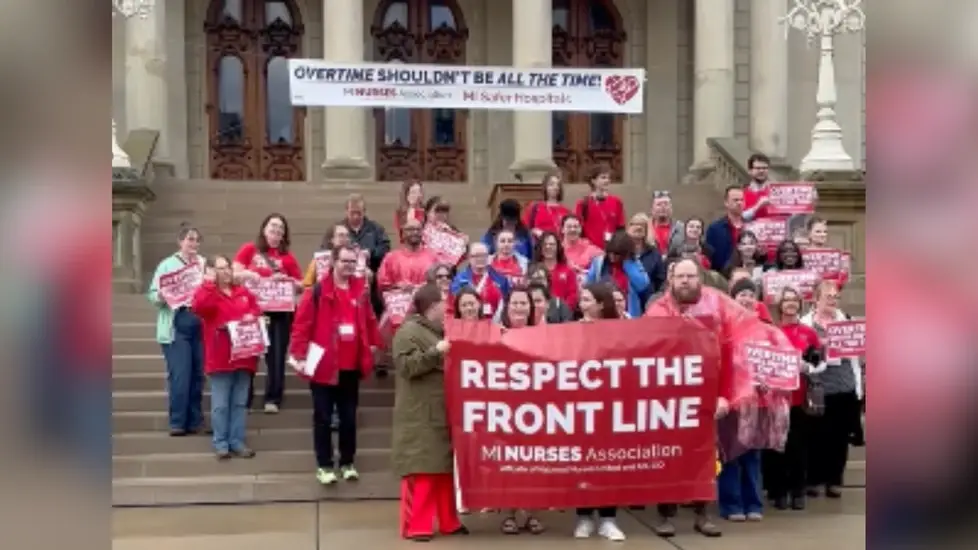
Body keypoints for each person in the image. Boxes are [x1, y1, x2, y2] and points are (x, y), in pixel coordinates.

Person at [644, 258, 735, 538]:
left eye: (690, 276)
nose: (685, 281)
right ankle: (665, 514)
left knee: (704, 458)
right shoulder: (656, 311)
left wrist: (724, 396)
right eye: (680, 276)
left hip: (705, 396)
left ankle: (703, 513)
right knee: (667, 457)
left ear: (700, 279)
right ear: (670, 280)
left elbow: (729, 356)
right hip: (667, 399)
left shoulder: (716, 309)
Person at [289, 245, 379, 485]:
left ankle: (348, 462)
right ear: (333, 262)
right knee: (323, 418)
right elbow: (301, 325)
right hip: (323, 367)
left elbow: (369, 319)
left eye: (352, 262)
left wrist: (374, 344)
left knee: (349, 418)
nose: (349, 266)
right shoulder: (316, 291)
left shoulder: (361, 290)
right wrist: (298, 354)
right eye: (344, 261)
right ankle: (325, 465)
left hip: (350, 367)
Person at [390, 283, 468, 541]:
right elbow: (407, 366)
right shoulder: (407, 332)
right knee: (424, 471)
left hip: (438, 411)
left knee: (442, 470)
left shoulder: (436, 330)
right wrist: (436, 353)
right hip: (419, 414)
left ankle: (448, 521)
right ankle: (417, 525)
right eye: (442, 304)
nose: (446, 307)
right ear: (430, 307)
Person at [233, 213, 304, 413]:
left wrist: (288, 281)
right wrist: (249, 274)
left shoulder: (288, 258)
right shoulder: (249, 250)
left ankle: (273, 398)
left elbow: (301, 285)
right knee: (248, 354)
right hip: (252, 311)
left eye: (280, 228)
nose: (276, 231)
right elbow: (233, 274)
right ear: (264, 229)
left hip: (280, 313)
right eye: (273, 226)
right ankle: (244, 398)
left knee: (277, 356)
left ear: (284, 235)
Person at [191, 254, 261, 459]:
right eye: (220, 268)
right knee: (221, 405)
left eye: (228, 267)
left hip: (244, 355)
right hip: (220, 357)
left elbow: (256, 309)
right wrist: (209, 284)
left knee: (240, 403)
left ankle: (236, 440)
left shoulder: (243, 291)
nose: (227, 271)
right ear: (212, 272)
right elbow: (199, 307)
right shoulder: (209, 293)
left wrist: (253, 316)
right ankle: (221, 442)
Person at [574, 282, 627, 540]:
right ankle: (583, 517)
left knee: (609, 463)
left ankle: (608, 519)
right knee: (582, 464)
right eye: (581, 299)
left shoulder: (618, 331)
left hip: (610, 407)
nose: (581, 304)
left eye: (586, 299)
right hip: (580, 407)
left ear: (601, 304)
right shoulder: (570, 331)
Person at [801, 280, 862, 499]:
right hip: (818, 386)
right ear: (816, 299)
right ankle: (814, 479)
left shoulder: (846, 322)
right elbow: (803, 356)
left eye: (835, 297)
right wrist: (822, 347)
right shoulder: (805, 324)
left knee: (840, 437)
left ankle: (835, 480)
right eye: (828, 297)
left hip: (844, 386)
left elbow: (857, 353)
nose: (833, 301)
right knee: (816, 436)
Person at [716, 280, 768, 522]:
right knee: (729, 455)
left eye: (750, 294)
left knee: (752, 455)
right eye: (741, 294)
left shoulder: (765, 328)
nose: (746, 299)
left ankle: (753, 503)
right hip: (730, 400)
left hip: (756, 401)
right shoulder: (722, 328)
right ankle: (731, 504)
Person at [494, 287, 545, 535]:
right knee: (508, 463)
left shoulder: (544, 335)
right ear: (507, 307)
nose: (519, 307)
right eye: (514, 303)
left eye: (523, 303)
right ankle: (509, 513)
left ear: (530, 307)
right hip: (505, 410)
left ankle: (532, 512)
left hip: (536, 410)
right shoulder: (496, 335)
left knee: (533, 463)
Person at [147, 224, 206, 436]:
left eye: (197, 240)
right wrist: (162, 296)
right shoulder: (167, 264)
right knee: (181, 374)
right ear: (180, 241)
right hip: (175, 324)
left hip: (199, 323)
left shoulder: (202, 264)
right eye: (190, 239)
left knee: (198, 374)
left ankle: (195, 420)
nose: (194, 244)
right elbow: (153, 294)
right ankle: (178, 421)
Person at [769, 286, 822, 510]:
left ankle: (798, 490)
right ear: (779, 304)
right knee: (778, 447)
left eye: (794, 300)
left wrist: (807, 366)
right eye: (786, 300)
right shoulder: (770, 331)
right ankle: (779, 491)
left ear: (800, 304)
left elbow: (820, 363)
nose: (790, 304)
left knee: (799, 446)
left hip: (800, 397)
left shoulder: (808, 332)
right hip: (776, 397)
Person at [377, 218, 438, 320]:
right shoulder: (391, 258)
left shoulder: (433, 257)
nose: (415, 232)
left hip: (426, 314)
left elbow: (439, 285)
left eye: (418, 229)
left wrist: (419, 288)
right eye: (410, 229)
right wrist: (398, 287)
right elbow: (382, 286)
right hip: (397, 315)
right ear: (403, 232)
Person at [342, 193, 392, 318]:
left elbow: (385, 248)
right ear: (346, 211)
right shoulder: (339, 229)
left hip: (371, 281)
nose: (355, 216)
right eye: (352, 213)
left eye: (359, 213)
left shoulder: (375, 229)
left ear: (364, 212)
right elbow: (327, 249)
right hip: (345, 280)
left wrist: (371, 252)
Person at [584, 230, 650, 318]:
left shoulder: (634, 263)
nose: (612, 257)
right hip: (603, 313)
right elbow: (588, 285)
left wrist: (627, 264)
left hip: (628, 312)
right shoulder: (599, 263)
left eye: (617, 254)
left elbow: (642, 285)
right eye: (610, 253)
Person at [450, 242, 510, 318]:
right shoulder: (459, 281)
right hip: (467, 323)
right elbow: (455, 306)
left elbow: (506, 304)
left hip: (493, 323)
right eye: (476, 256)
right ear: (469, 258)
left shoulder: (500, 279)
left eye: (483, 255)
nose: (480, 259)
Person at [574, 163, 624, 246]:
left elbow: (620, 228)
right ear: (593, 181)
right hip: (590, 250)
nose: (607, 181)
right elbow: (578, 229)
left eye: (608, 178)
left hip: (611, 250)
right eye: (603, 177)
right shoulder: (583, 204)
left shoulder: (616, 202)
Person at [625, 214, 666, 304]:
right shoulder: (622, 251)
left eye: (642, 224)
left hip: (648, 301)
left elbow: (661, 280)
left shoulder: (654, 254)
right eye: (635, 224)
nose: (638, 227)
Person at [531, 231, 578, 307]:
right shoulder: (533, 270)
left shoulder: (568, 271)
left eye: (552, 244)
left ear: (558, 247)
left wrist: (561, 310)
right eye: (545, 244)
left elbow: (572, 296)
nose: (548, 247)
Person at [705, 185, 746, 270]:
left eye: (742, 200)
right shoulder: (715, 229)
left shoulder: (750, 226)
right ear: (726, 202)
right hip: (723, 277)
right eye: (735, 200)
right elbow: (709, 258)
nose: (739, 203)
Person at [523, 169, 570, 237]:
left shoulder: (566, 212)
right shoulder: (535, 207)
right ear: (545, 187)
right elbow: (524, 228)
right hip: (539, 244)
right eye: (551, 184)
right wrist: (534, 231)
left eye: (557, 185)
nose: (555, 187)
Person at [303, 223, 351, 288]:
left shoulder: (356, 258)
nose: (346, 238)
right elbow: (307, 284)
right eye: (341, 235)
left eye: (347, 236)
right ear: (332, 239)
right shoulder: (319, 258)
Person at [561, 214, 603, 287]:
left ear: (580, 229)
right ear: (562, 229)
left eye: (575, 227)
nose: (572, 229)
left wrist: (587, 272)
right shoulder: (558, 249)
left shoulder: (589, 248)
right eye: (569, 227)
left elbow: (604, 260)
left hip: (586, 289)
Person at [647, 190, 684, 254]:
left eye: (666, 204)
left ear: (671, 208)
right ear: (652, 209)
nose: (663, 207)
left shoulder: (681, 228)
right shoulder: (645, 227)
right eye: (659, 204)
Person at [742, 153, 773, 221]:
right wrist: (757, 206)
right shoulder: (742, 193)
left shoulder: (776, 192)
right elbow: (740, 218)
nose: (761, 171)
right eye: (758, 168)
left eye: (764, 168)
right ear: (750, 171)